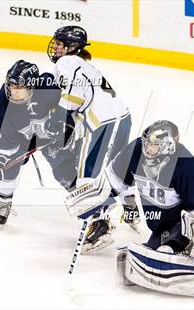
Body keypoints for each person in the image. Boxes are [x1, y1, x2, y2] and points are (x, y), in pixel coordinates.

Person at [103, 120, 194, 302]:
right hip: (160, 227)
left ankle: (185, 253)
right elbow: (115, 180)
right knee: (153, 252)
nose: (147, 150)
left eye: (153, 146)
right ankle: (167, 249)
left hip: (183, 229)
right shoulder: (136, 150)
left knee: (169, 246)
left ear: (168, 145)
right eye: (146, 143)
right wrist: (101, 203)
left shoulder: (186, 165)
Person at [45, 25, 133, 252]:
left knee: (86, 180)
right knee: (111, 171)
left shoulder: (66, 62)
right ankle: (129, 201)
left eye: (60, 43)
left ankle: (100, 227)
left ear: (72, 48)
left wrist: (57, 123)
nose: (55, 47)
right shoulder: (86, 66)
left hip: (101, 125)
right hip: (121, 119)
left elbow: (75, 95)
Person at [0, 60, 75, 225]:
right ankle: (4, 203)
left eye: (18, 88)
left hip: (50, 136)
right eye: (11, 86)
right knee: (9, 165)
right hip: (22, 138)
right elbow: (3, 143)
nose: (13, 92)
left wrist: (66, 127)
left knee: (64, 169)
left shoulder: (49, 89)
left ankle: (87, 203)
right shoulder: (2, 102)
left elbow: (73, 107)